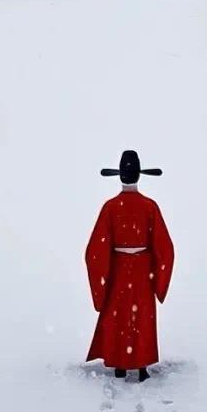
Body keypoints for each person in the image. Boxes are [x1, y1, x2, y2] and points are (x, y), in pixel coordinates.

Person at [85, 150, 174, 381]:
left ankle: (119, 364)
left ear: (120, 176)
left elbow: (94, 250)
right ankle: (142, 364)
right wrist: (158, 279)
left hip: (117, 269)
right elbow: (165, 249)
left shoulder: (110, 207)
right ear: (139, 176)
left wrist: (102, 277)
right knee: (142, 316)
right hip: (143, 271)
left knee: (119, 316)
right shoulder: (149, 206)